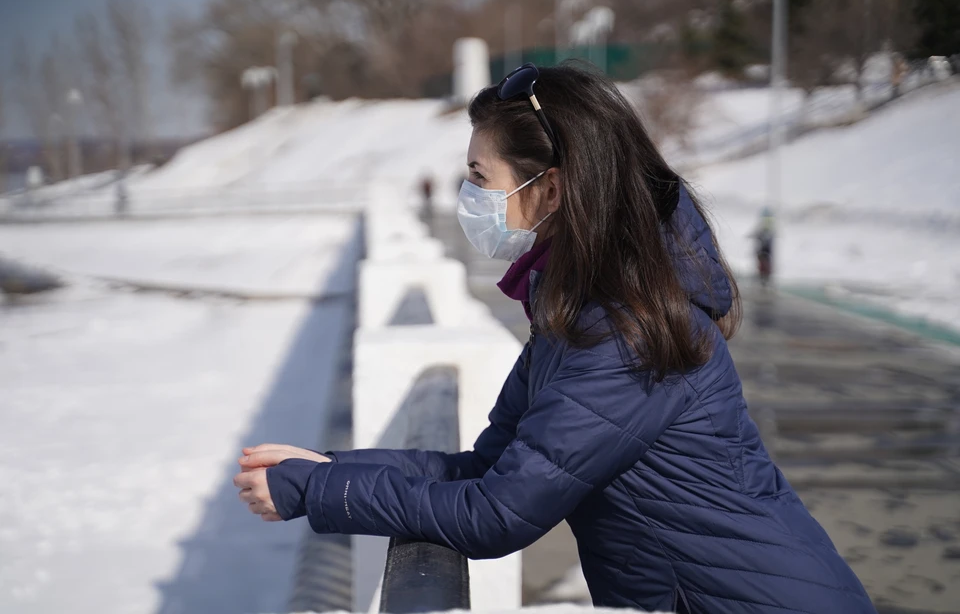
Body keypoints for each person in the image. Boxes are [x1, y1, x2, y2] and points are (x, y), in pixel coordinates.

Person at [234, 64, 875, 613]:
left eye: (479, 176)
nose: (469, 195)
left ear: (551, 188)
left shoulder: (628, 336)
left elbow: (495, 513)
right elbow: (490, 467)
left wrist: (315, 494)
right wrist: (329, 467)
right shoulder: (579, 314)